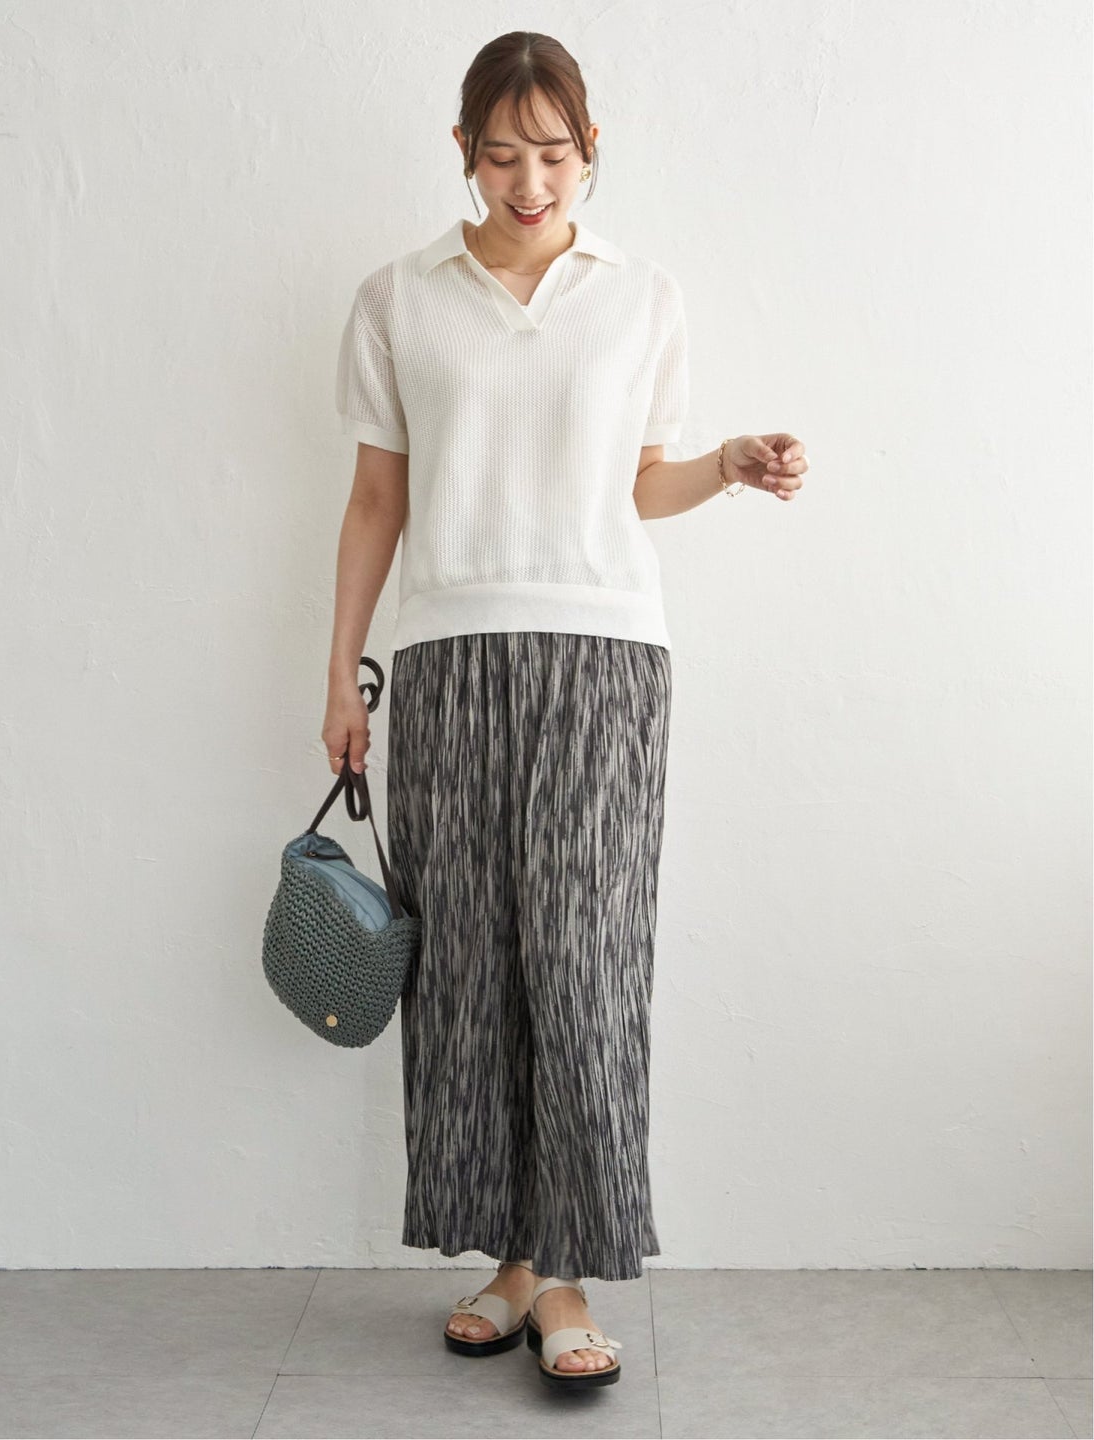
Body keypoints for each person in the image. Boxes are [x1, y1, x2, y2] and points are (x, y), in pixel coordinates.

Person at [322, 31, 808, 1392]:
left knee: (585, 968)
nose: (529, 182)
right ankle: (513, 1262)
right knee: (469, 972)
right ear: (463, 153)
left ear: (591, 151)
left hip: (603, 656)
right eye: (501, 155)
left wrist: (726, 464)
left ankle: (570, 1275)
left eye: (553, 154)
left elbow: (638, 483)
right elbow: (375, 499)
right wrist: (340, 672)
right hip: (447, 654)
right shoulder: (398, 298)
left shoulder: (641, 296)